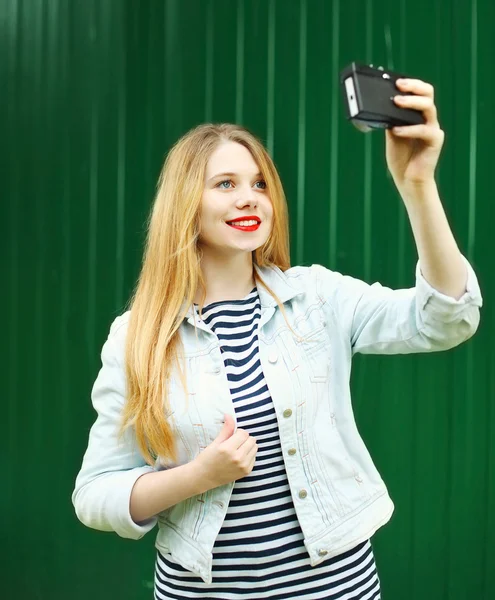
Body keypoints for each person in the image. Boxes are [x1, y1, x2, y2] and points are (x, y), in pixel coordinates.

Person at [72, 77, 482, 600]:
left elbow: (445, 319)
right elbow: (94, 493)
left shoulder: (318, 298)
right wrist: (198, 476)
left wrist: (417, 186)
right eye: (225, 184)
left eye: (259, 183)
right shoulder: (137, 337)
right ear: (184, 204)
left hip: (336, 589)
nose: (250, 198)